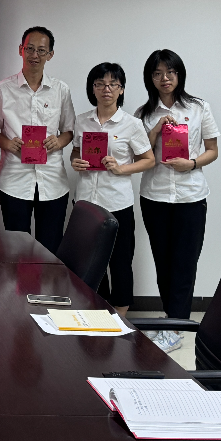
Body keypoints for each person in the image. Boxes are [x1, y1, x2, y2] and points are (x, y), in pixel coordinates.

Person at [136, 49, 219, 353]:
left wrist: (192, 163)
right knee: (163, 262)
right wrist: (156, 129)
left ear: (179, 74)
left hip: (190, 196)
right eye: (157, 73)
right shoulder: (143, 114)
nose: (165, 78)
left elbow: (212, 150)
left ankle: (176, 327)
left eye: (170, 72)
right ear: (150, 78)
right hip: (155, 196)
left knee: (184, 263)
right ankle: (171, 320)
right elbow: (138, 154)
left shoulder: (199, 108)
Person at [70, 62, 154, 317]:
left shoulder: (131, 124)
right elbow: (75, 152)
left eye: (112, 84)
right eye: (100, 84)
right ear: (92, 89)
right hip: (86, 202)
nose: (106, 89)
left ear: (121, 89)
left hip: (117, 202)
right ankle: (97, 307)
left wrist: (121, 168)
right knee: (89, 259)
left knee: (120, 261)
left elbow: (148, 160)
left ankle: (120, 316)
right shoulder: (82, 121)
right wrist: (76, 162)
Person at [0, 26, 75, 253]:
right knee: (16, 248)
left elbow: (69, 130)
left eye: (41, 50)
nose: (34, 55)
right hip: (14, 179)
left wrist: (59, 142)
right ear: (21, 50)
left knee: (50, 248)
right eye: (30, 49)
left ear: (50, 54)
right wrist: (8, 144)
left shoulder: (61, 90)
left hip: (52, 180)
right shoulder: (2, 90)